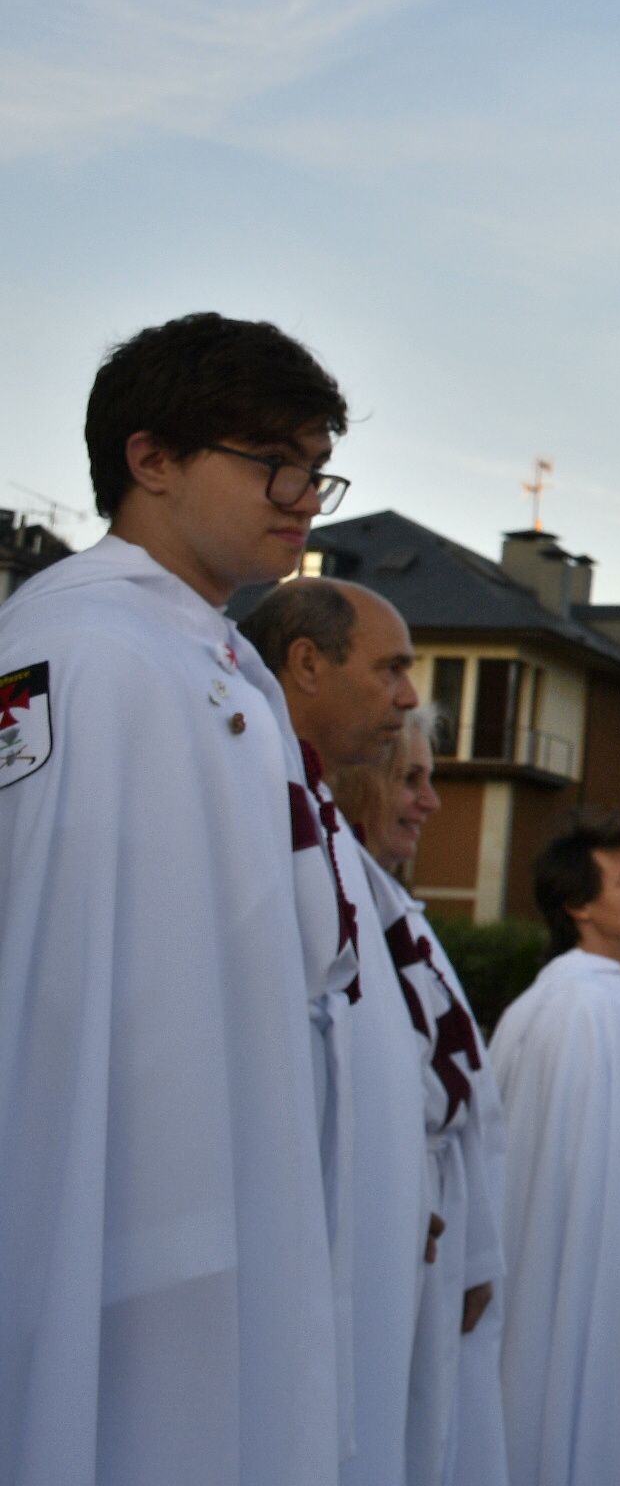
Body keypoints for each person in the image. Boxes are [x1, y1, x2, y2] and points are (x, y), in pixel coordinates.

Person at [0, 314, 350, 1486]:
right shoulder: (79, 648)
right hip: (112, 1199)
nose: (304, 497)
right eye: (274, 462)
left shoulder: (213, 654)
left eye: (316, 467)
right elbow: (47, 956)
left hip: (227, 1170)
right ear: (150, 459)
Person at [245, 578, 437, 1486]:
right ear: (307, 663)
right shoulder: (250, 798)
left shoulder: (318, 825)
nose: (408, 696)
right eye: (393, 669)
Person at [331, 705, 508, 1486]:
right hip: (378, 1225)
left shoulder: (402, 914)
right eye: (411, 780)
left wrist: (478, 1251)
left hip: (435, 1220)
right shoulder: (337, 901)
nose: (431, 803)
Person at [489, 816, 620, 1486]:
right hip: (581, 1270)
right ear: (578, 905)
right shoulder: (575, 1007)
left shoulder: (613, 996)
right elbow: (554, 1169)